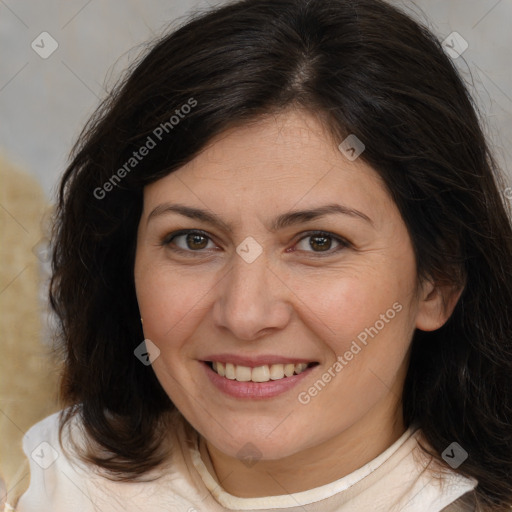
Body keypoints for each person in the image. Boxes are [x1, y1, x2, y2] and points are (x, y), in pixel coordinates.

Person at [12, 0, 512, 510]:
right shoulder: (47, 479)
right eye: (193, 239)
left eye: (320, 241)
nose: (244, 314)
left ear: (438, 282)